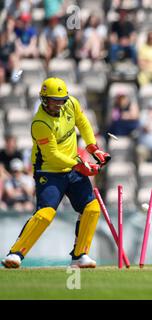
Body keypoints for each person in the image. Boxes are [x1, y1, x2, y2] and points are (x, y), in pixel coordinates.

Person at [1, 77, 111, 269]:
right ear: (44, 99)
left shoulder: (70, 103)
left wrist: (94, 149)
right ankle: (15, 253)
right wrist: (82, 165)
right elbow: (52, 155)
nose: (59, 104)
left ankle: (80, 255)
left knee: (91, 208)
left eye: (61, 100)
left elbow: (83, 123)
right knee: (45, 213)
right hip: (49, 171)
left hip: (73, 168)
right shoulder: (40, 123)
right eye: (54, 100)